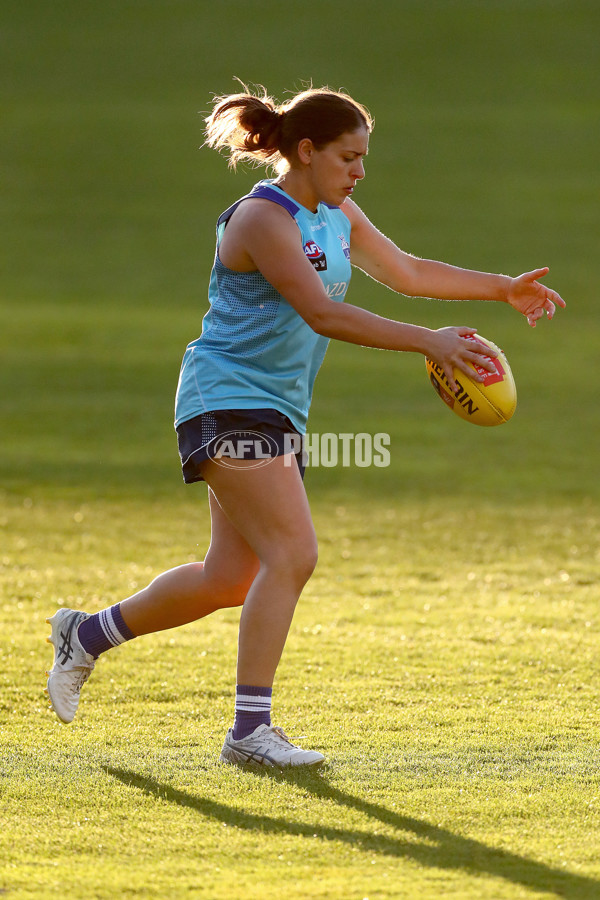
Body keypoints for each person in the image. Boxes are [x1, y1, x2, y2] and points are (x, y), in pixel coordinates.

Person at [45, 84, 565, 769]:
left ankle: (84, 635)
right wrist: (430, 344)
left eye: (363, 159)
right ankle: (248, 734)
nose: (359, 172)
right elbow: (323, 314)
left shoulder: (336, 212)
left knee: (230, 577)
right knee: (294, 554)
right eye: (349, 157)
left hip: (275, 406)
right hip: (226, 399)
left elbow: (405, 271)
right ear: (307, 150)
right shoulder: (263, 219)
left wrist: (501, 287)